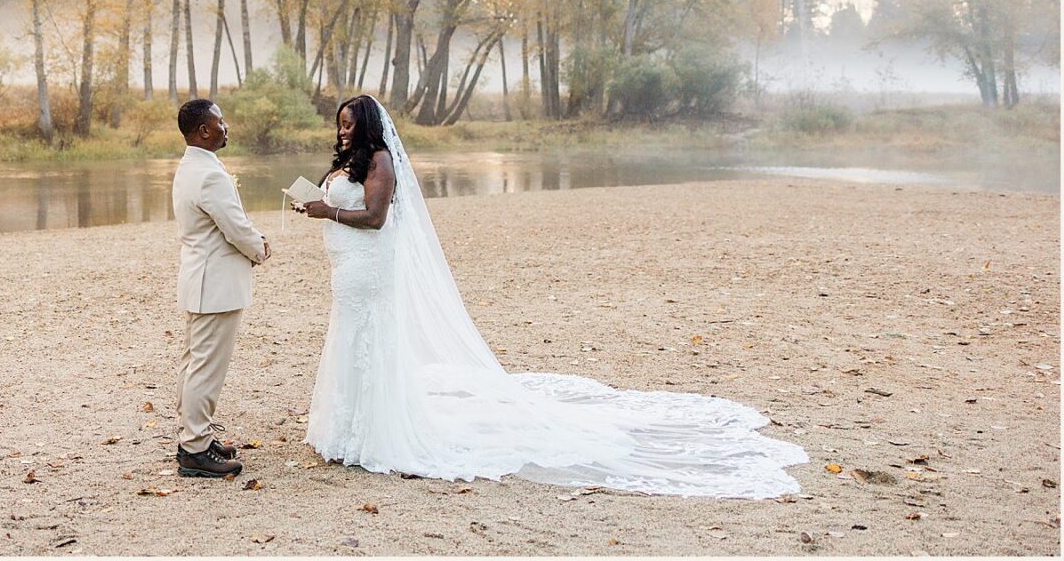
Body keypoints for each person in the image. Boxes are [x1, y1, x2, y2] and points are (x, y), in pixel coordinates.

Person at [294, 93, 808, 497]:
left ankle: (374, 435)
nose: (343, 131)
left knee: (370, 343)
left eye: (350, 124)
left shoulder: (380, 159)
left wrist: (327, 212)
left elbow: (377, 218)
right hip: (348, 271)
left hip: (371, 270)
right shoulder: (350, 162)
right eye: (339, 123)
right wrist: (314, 202)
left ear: (368, 127)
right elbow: (348, 204)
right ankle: (346, 432)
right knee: (349, 342)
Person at [171, 98, 270, 478]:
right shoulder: (210, 175)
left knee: (195, 362)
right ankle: (194, 449)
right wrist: (259, 248)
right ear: (204, 131)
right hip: (215, 284)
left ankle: (195, 435)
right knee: (206, 368)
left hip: (200, 279)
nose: (226, 127)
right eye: (220, 122)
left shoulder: (190, 166)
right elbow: (235, 226)